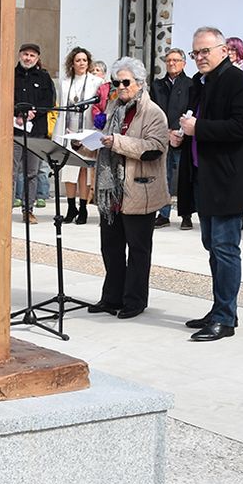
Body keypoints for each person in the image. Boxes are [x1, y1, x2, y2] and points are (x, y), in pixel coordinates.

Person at [177, 26, 243, 342]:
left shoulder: (238, 82)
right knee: (212, 247)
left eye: (205, 51)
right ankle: (220, 309)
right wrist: (183, 133)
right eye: (195, 52)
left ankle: (225, 319)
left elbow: (241, 127)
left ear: (224, 50)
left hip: (229, 178)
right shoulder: (204, 82)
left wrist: (199, 127)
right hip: (206, 176)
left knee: (225, 249)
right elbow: (198, 124)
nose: (199, 57)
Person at [81, 58, 170, 318]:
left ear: (140, 84)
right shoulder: (112, 108)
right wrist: (83, 144)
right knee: (111, 248)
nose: (120, 86)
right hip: (112, 193)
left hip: (139, 190)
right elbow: (103, 144)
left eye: (126, 82)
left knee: (138, 251)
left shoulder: (153, 112)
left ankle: (134, 301)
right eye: (116, 82)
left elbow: (153, 148)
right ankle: (111, 298)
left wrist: (117, 142)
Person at [12, 42, 56, 223]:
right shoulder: (11, 75)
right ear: (20, 55)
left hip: (35, 131)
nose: (28, 58)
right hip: (14, 129)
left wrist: (34, 112)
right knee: (10, 171)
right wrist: (18, 112)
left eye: (32, 55)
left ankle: (28, 210)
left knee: (32, 172)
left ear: (37, 58)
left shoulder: (44, 77)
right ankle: (3, 209)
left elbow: (49, 102)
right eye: (25, 54)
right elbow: (4, 97)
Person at [150, 47, 194, 228]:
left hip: (182, 137)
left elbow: (191, 109)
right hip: (162, 136)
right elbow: (152, 111)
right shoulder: (157, 85)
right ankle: (164, 213)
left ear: (184, 63)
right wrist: (166, 132)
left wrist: (179, 133)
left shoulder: (191, 84)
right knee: (163, 177)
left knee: (185, 178)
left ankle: (186, 215)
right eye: (168, 60)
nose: (171, 63)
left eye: (176, 60)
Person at [59, 46, 103, 225]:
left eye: (84, 60)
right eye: (78, 60)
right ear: (72, 63)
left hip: (86, 130)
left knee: (84, 170)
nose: (81, 63)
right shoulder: (65, 82)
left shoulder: (96, 82)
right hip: (69, 129)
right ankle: (71, 207)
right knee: (69, 171)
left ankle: (83, 206)